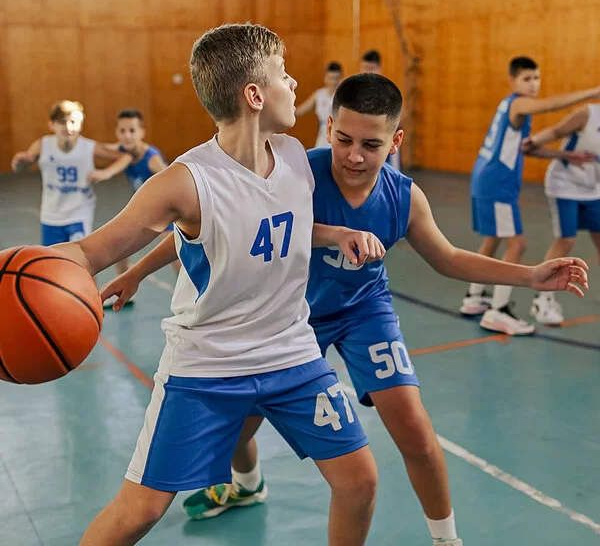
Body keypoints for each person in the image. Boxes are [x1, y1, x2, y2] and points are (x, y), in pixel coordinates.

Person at [102, 74, 589, 546]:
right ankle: (246, 484)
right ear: (330, 128)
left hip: (363, 313)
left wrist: (529, 276)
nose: (354, 156)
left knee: (416, 432)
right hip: (288, 320)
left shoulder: (403, 197)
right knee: (237, 426)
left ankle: (447, 538)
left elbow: (449, 258)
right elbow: (210, 221)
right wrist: (138, 271)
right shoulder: (293, 171)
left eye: (371, 145)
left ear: (395, 140)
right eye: (344, 139)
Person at [51, 23, 381, 546]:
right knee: (140, 511)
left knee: (360, 480)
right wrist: (36, 267)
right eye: (283, 73)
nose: (295, 84)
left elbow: (265, 225)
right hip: (207, 365)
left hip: (291, 354)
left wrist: (334, 233)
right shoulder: (185, 182)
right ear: (254, 95)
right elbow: (89, 252)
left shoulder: (294, 155)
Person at [462, 56, 600, 334]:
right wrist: (592, 92)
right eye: (527, 79)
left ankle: (474, 297)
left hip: (487, 180)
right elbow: (549, 105)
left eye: (536, 78)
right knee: (518, 245)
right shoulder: (518, 103)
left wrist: (565, 154)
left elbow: (527, 147)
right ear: (512, 81)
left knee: (493, 240)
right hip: (497, 183)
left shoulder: (511, 107)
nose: (533, 84)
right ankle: (498, 311)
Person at [87, 109, 181, 302]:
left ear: (141, 133)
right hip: (145, 211)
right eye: (122, 131)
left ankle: (191, 294)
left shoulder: (151, 158)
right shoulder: (123, 151)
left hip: (165, 210)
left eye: (132, 130)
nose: (127, 135)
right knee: (120, 245)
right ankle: (123, 291)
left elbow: (173, 179)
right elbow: (100, 147)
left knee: (177, 254)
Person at [521, 104, 600, 324]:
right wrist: (534, 142)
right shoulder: (588, 114)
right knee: (566, 240)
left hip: (594, 189)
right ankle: (543, 300)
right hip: (565, 185)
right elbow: (555, 132)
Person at [11, 100, 121, 246]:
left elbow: (123, 156)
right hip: (51, 215)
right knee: (53, 260)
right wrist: (19, 163)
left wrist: (107, 172)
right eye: (62, 122)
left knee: (78, 257)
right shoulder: (42, 146)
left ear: (80, 124)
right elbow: (20, 168)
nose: (68, 127)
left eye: (73, 122)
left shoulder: (88, 147)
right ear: (51, 124)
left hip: (79, 213)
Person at [295, 62, 343, 149]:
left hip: (339, 134)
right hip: (323, 136)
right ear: (325, 78)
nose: (333, 82)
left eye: (336, 78)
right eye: (330, 78)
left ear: (341, 78)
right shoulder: (319, 94)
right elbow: (300, 110)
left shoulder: (344, 95)